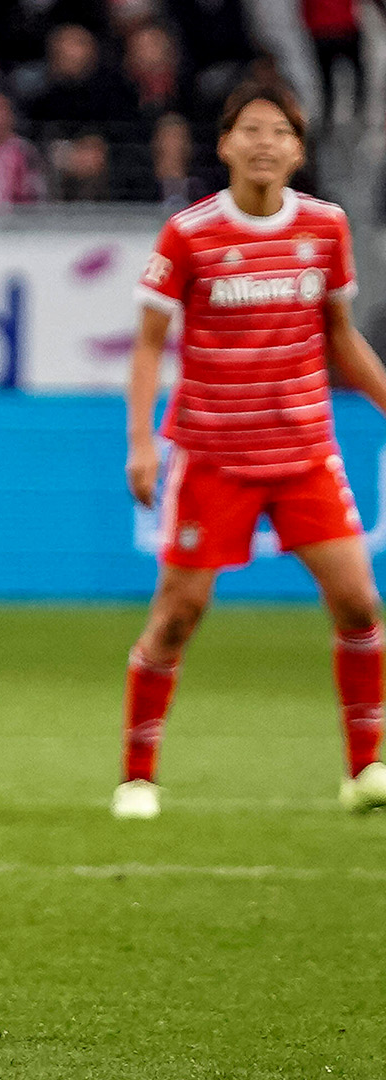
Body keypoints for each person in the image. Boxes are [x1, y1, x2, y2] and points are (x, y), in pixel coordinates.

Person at [117, 79, 386, 820]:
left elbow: (339, 339)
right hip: (212, 456)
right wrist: (141, 440)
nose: (265, 143)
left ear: (299, 151)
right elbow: (148, 344)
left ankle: (364, 769)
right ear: (226, 143)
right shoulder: (190, 233)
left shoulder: (327, 228)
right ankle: (138, 775)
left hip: (304, 452)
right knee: (178, 616)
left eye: (280, 133)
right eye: (253, 130)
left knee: (361, 603)